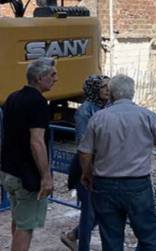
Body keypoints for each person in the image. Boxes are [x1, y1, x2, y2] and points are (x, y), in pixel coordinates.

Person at [78, 75, 156, 251]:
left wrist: (87, 174)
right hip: (137, 185)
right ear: (132, 93)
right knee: (149, 238)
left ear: (112, 94)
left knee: (111, 239)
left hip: (104, 185)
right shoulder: (146, 116)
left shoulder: (99, 118)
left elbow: (84, 151)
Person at [0, 57, 58, 251]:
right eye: (52, 75)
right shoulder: (37, 102)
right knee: (26, 227)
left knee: (18, 220)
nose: (56, 79)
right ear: (40, 78)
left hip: (10, 171)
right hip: (27, 176)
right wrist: (46, 176)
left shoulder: (13, 97)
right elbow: (36, 142)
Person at [61, 74, 111, 251]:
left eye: (108, 86)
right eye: (103, 86)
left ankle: (73, 236)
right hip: (88, 165)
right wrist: (87, 170)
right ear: (94, 89)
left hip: (106, 166)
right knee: (89, 212)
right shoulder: (85, 111)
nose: (107, 89)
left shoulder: (111, 106)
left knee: (102, 210)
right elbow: (83, 143)